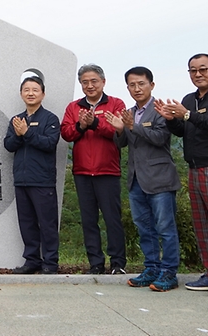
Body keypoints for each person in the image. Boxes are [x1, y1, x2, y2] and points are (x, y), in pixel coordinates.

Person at [155, 53, 208, 297]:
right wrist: (171, 119)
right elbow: (183, 130)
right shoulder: (188, 100)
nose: (198, 74)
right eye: (193, 70)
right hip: (196, 167)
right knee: (203, 224)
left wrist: (186, 114)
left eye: (203, 69)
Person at [107, 67, 181, 292]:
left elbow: (160, 138)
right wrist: (120, 130)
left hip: (160, 179)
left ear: (152, 85)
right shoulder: (129, 112)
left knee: (165, 227)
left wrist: (132, 127)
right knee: (144, 227)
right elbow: (121, 144)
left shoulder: (162, 111)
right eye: (132, 85)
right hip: (136, 179)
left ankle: (169, 272)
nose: (137, 89)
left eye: (141, 84)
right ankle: (151, 267)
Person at [60, 63, 127, 275]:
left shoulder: (116, 103)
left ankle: (118, 263)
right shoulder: (73, 107)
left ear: (103, 82)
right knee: (89, 220)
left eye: (94, 81)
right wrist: (80, 125)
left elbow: (118, 132)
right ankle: (95, 263)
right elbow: (66, 133)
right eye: (85, 82)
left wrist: (94, 123)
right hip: (82, 172)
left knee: (112, 219)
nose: (90, 86)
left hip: (107, 170)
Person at [4, 74, 61, 275]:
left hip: (42, 181)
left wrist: (27, 133)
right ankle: (32, 260)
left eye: (35, 90)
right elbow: (8, 145)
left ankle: (51, 262)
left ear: (43, 94)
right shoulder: (16, 120)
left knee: (47, 223)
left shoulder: (50, 119)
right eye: (27, 90)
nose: (31, 93)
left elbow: (49, 144)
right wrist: (19, 134)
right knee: (26, 223)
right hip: (21, 180)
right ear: (21, 94)